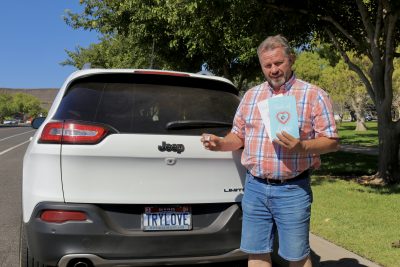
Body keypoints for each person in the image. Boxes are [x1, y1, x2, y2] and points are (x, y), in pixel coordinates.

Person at [201, 35, 339, 267]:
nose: (274, 70)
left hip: (293, 189)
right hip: (255, 187)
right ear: (261, 66)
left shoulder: (313, 95)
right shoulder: (251, 96)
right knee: (256, 253)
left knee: (297, 257)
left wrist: (302, 146)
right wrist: (221, 144)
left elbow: (332, 141)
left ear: (291, 60)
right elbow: (238, 136)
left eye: (279, 63)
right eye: (268, 65)